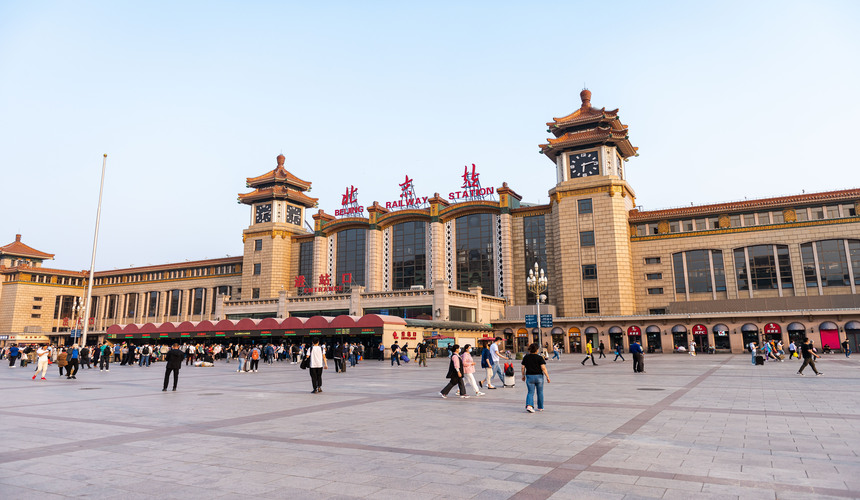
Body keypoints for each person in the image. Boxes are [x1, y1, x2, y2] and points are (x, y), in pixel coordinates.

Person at [521, 343, 550, 413]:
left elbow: (522, 367)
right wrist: (547, 377)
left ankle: (529, 406)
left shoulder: (526, 357)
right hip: (539, 376)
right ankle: (540, 407)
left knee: (530, 392)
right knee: (540, 392)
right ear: (537, 350)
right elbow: (543, 368)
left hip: (529, 376)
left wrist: (523, 376)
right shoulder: (539, 358)